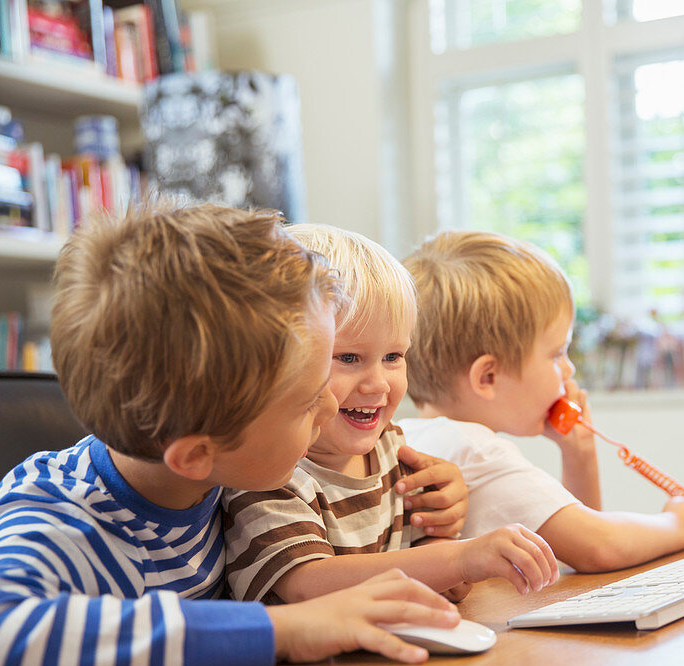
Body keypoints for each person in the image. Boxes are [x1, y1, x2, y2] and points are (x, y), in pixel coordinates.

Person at [0, 204, 461, 666]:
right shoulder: (62, 516)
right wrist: (281, 629)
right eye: (306, 401)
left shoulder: (225, 470)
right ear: (196, 454)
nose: (329, 404)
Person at [222, 224, 558, 607]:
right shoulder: (268, 468)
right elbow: (306, 582)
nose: (378, 383)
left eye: (393, 357)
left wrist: (440, 549)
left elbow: (416, 560)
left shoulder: (389, 448)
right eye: (348, 358)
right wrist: (455, 559)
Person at [399, 230, 684, 573]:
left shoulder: (410, 435)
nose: (569, 369)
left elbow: (573, 545)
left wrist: (578, 454)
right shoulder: (474, 449)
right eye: (556, 354)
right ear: (487, 378)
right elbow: (597, 547)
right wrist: (681, 526)